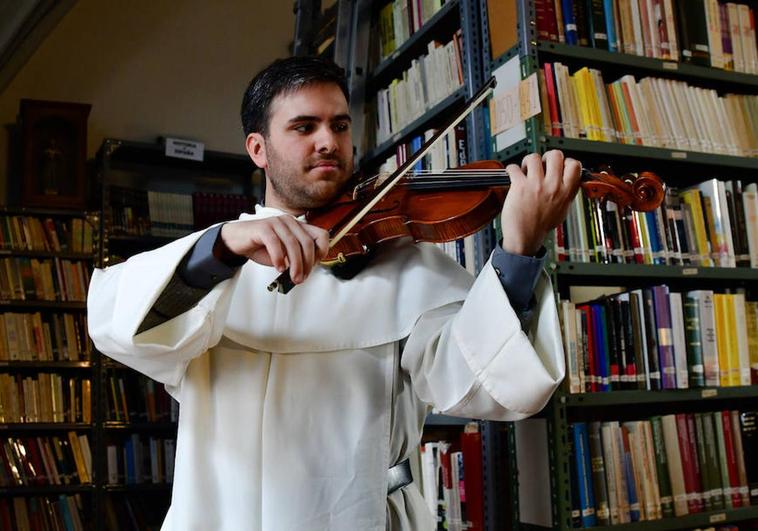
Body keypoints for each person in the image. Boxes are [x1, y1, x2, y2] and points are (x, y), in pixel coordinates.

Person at [88, 56, 582, 531]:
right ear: (258, 150)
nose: (329, 141)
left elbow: (491, 385)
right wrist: (217, 249)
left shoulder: (405, 265)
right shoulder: (213, 261)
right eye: (305, 127)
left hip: (358, 516)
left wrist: (519, 249)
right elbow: (117, 326)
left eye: (340, 126)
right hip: (222, 516)